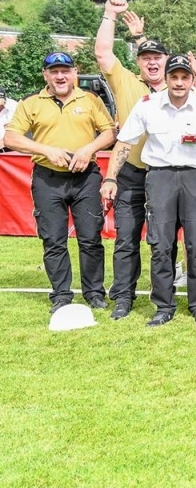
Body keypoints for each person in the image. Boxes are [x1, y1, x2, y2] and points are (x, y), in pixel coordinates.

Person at [102, 54, 196, 326]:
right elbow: (124, 142)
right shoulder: (148, 106)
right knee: (161, 244)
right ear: (165, 79)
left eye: (184, 77)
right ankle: (164, 306)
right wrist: (110, 177)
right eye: (174, 77)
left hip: (193, 177)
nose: (179, 83)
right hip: (160, 177)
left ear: (192, 79)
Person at [4, 52, 116, 312]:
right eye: (54, 71)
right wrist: (46, 150)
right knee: (53, 239)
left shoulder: (90, 99)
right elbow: (11, 138)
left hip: (86, 176)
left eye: (65, 70)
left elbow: (109, 132)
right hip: (48, 177)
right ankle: (61, 294)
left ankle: (94, 293)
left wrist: (88, 149)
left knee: (90, 238)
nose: (60, 76)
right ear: (46, 75)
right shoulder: (31, 102)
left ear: (74, 73)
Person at [94, 0, 168, 319]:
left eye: (157, 58)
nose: (152, 63)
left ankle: (163, 300)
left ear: (167, 60)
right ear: (138, 62)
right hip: (129, 173)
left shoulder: (179, 88)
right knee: (125, 238)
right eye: (146, 58)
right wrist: (110, 14)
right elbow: (102, 53)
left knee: (161, 241)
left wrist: (141, 37)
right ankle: (123, 298)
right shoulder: (126, 81)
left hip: (164, 175)